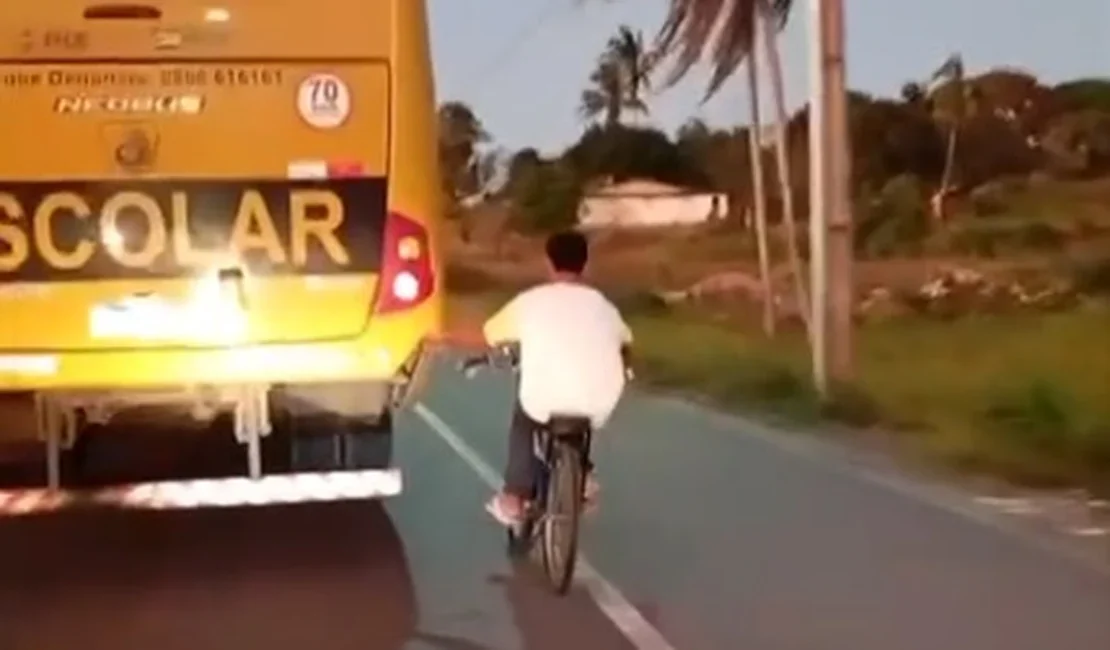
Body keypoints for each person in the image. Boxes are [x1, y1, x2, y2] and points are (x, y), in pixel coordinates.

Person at [474, 230, 632, 526]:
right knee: (585, 411)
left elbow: (489, 335)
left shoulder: (531, 302)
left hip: (544, 398)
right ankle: (582, 474)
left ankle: (515, 497)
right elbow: (626, 342)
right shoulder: (604, 306)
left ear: (548, 262)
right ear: (585, 265)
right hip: (599, 399)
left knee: (524, 418)